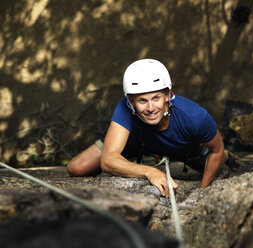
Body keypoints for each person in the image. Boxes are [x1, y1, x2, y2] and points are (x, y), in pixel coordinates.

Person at [67, 59, 241, 197]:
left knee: (218, 161)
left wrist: (202, 192)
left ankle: (226, 156)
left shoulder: (194, 116)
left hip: (183, 148)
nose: (150, 108)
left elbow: (216, 150)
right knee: (77, 167)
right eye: (142, 100)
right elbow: (108, 160)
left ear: (167, 95)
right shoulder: (125, 108)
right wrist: (149, 172)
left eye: (156, 98)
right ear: (131, 101)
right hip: (139, 142)